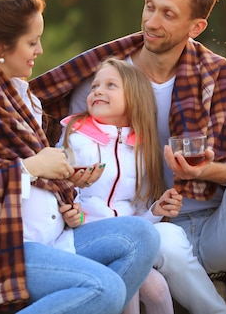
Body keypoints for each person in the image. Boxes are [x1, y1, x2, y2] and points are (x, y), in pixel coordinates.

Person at [30, 0, 226, 314]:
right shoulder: (107, 79)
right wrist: (73, 178)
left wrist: (205, 171)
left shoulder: (218, 78)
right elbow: (61, 148)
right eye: (149, 6)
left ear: (196, 26)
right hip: (151, 227)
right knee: (163, 239)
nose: (152, 22)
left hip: (215, 230)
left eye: (168, 14)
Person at [0, 0, 160, 314]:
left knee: (143, 236)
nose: (40, 50)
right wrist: (32, 168)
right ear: (1, 45)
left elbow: (34, 170)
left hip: (53, 239)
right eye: (32, 41)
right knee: (106, 287)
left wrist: (66, 187)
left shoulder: (19, 93)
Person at [58, 58, 183, 314]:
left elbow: (138, 216)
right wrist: (71, 212)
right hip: (85, 238)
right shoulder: (75, 134)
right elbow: (60, 187)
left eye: (110, 85)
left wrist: (156, 211)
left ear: (133, 98)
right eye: (95, 86)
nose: (97, 91)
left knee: (158, 289)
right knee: (130, 286)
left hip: (128, 241)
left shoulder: (142, 149)